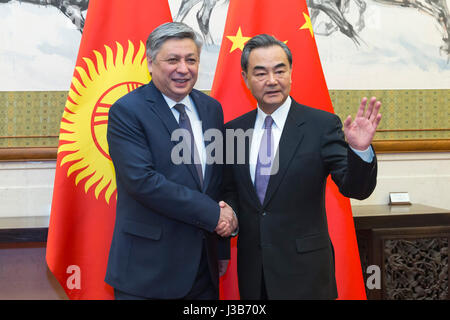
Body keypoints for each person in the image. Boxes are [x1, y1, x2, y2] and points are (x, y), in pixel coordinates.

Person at [222, 34, 382, 300]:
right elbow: (230, 191)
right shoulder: (233, 131)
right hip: (255, 273)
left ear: (291, 73)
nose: (272, 81)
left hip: (306, 274)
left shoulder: (321, 125)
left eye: (279, 70)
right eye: (260, 73)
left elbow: (355, 187)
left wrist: (360, 150)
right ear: (245, 77)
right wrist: (230, 214)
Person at [105, 22, 237, 300]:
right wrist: (215, 215)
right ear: (150, 63)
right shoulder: (127, 111)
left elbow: (219, 180)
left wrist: (222, 244)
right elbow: (143, 182)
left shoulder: (211, 109)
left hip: (204, 269)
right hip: (147, 273)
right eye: (172, 59)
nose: (183, 68)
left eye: (191, 60)